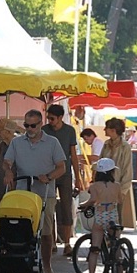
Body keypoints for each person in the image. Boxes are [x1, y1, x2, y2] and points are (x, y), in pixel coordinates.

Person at [3, 109, 66, 273]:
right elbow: (7, 161)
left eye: (33, 126)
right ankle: (18, 268)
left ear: (40, 124)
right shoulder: (17, 142)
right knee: (20, 230)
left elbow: (61, 167)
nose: (29, 129)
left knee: (45, 232)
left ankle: (47, 266)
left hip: (45, 193)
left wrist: (49, 177)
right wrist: (8, 171)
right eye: (26, 125)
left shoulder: (52, 142)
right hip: (23, 192)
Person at [42, 104, 83, 256]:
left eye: (52, 118)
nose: (50, 121)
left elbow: (73, 155)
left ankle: (67, 243)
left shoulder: (69, 131)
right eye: (48, 118)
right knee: (49, 208)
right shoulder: (44, 130)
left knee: (66, 207)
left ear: (60, 118)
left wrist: (78, 178)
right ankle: (51, 242)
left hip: (65, 174)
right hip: (48, 173)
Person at [77, 158, 123, 273]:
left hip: (100, 216)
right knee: (116, 245)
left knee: (95, 249)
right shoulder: (117, 186)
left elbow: (92, 200)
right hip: (112, 215)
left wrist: (83, 205)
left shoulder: (94, 186)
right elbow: (120, 200)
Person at [99, 118, 136, 229]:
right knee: (101, 217)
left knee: (115, 219)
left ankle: (116, 238)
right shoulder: (106, 144)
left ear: (113, 130)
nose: (104, 130)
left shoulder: (125, 146)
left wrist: (123, 191)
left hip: (117, 187)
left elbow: (127, 169)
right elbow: (100, 163)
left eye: (106, 128)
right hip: (103, 186)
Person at [0, 117, 21, 218]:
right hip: (1, 182)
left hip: (13, 183)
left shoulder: (18, 145)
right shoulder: (3, 145)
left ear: (7, 132)